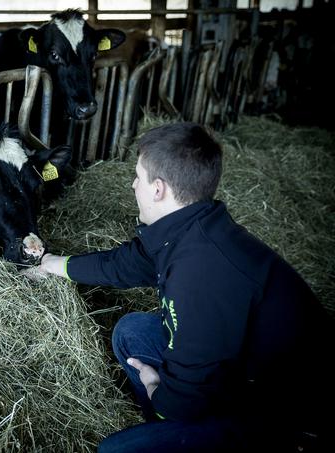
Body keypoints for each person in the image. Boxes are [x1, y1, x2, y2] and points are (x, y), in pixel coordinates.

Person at [33, 122, 334, 452]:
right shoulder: (192, 227)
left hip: (285, 415)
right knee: (132, 332)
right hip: (244, 371)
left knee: (114, 450)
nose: (133, 184)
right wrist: (53, 263)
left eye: (138, 176)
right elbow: (123, 265)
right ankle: (172, 433)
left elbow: (184, 396)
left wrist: (155, 391)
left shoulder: (200, 273)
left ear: (158, 189)